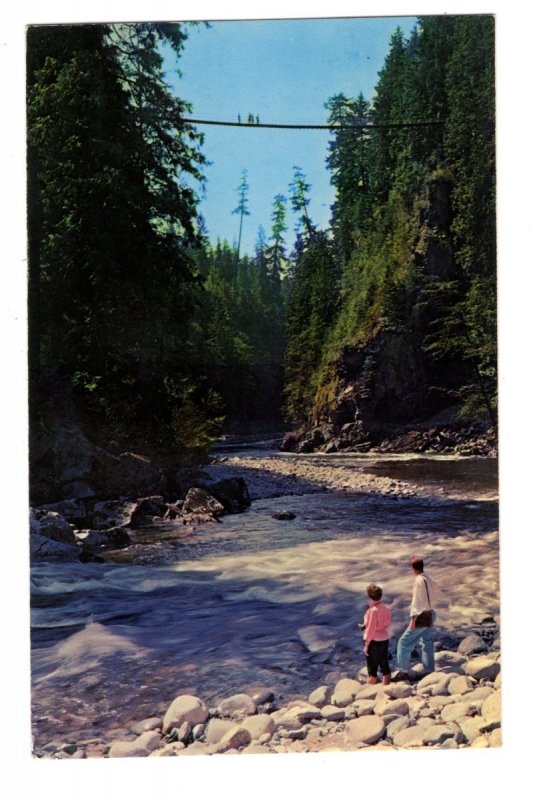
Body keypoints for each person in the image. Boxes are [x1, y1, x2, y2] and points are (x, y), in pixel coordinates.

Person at [395, 555, 441, 680]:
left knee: (403, 642)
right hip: (431, 613)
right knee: (427, 643)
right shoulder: (429, 577)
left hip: (422, 616)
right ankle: (429, 670)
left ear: (413, 568)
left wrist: (414, 619)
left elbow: (418, 601)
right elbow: (436, 594)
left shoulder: (419, 580)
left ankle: (403, 671)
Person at [362, 584, 392, 685]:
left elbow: (371, 629)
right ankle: (386, 688)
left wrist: (366, 645)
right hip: (384, 638)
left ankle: (371, 693)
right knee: (384, 665)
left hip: (374, 641)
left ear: (369, 595)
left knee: (372, 669)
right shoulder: (386, 608)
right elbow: (387, 623)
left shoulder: (373, 610)